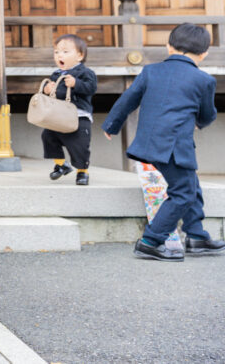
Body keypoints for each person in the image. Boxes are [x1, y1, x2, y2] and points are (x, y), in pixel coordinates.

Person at [103, 23, 225, 261]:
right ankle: (151, 240)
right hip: (175, 147)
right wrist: (199, 122)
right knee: (183, 193)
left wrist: (112, 125)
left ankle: (197, 236)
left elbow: (128, 99)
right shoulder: (204, 80)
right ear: (204, 54)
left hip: (151, 143)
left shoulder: (150, 71)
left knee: (190, 185)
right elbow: (208, 113)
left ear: (168, 46)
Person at [41, 34, 98, 185]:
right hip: (57, 116)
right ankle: (61, 164)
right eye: (57, 52)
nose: (60, 55)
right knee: (48, 136)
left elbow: (91, 88)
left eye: (65, 52)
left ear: (79, 56)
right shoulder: (56, 74)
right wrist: (47, 90)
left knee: (79, 146)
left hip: (78, 116)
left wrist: (76, 84)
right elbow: (52, 95)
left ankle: (82, 172)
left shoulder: (86, 73)